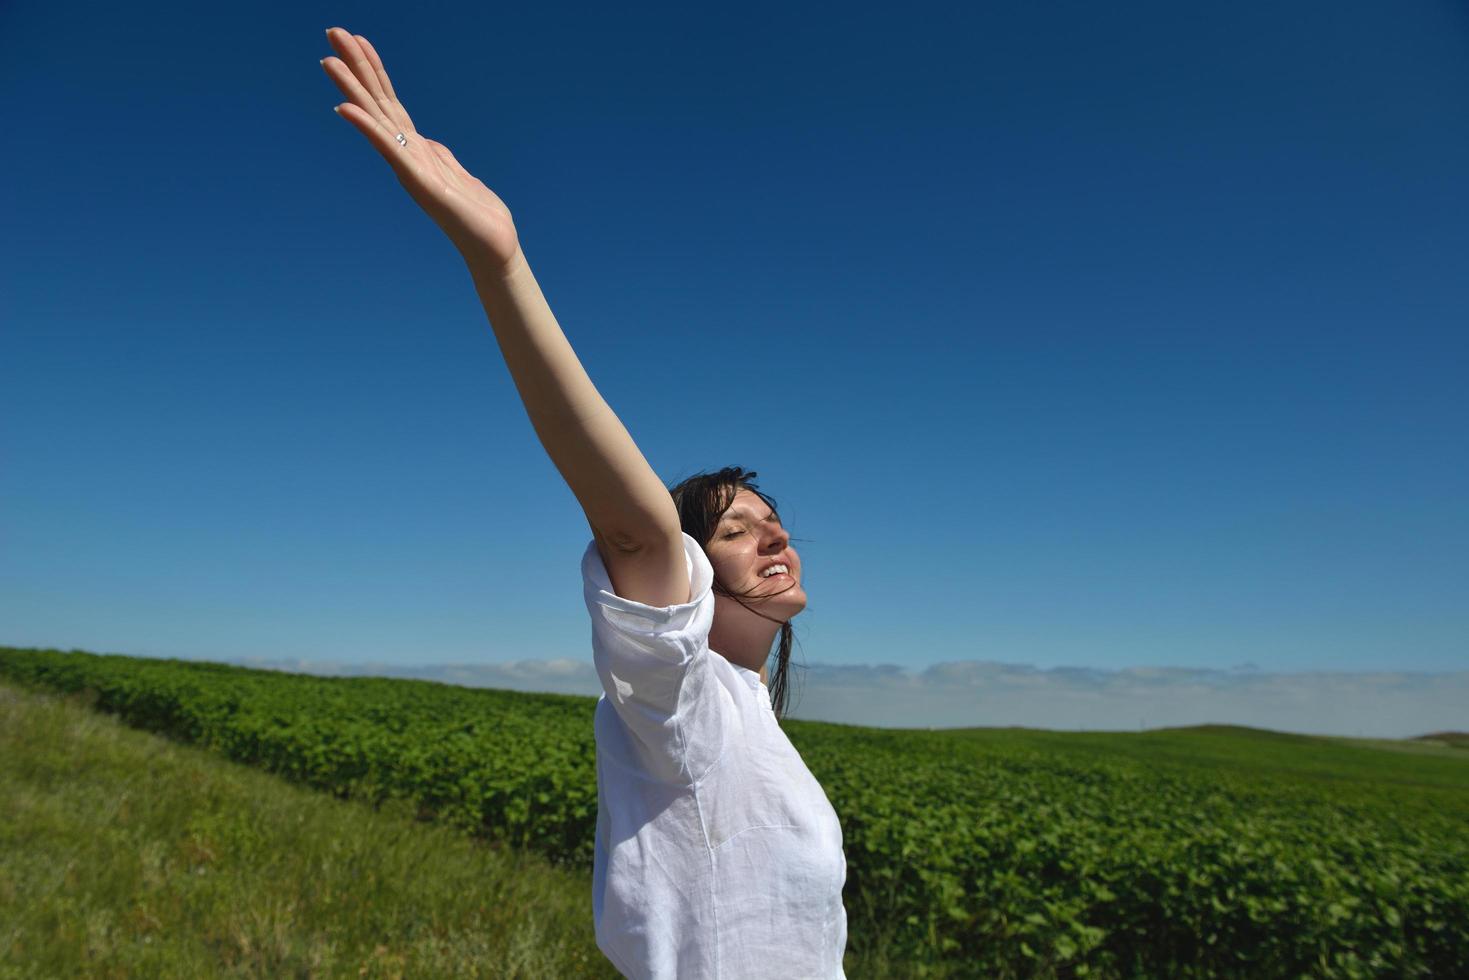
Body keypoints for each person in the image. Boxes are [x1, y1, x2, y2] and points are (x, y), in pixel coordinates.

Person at [321, 27, 849, 978]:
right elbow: (634, 525)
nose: (771, 532)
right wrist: (503, 263)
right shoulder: (676, 698)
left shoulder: (746, 713)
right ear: (688, 574)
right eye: (732, 528)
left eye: (772, 521)